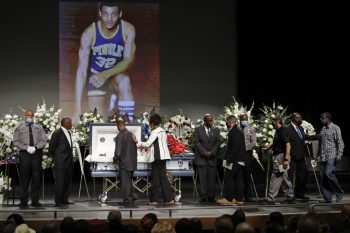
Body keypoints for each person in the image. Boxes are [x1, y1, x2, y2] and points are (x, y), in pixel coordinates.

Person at [73, 2, 136, 122]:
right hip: (96, 77)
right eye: (106, 14)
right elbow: (81, 71)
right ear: (100, 13)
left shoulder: (127, 29)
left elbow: (129, 61)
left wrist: (105, 74)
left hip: (116, 74)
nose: (109, 19)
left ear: (120, 14)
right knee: (99, 120)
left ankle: (128, 122)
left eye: (114, 14)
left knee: (125, 81)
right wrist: (77, 108)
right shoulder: (89, 34)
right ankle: (110, 104)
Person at [137, 113, 175, 205]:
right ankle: (169, 199)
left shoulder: (155, 132)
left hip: (157, 157)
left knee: (155, 178)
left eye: (150, 123)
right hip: (164, 156)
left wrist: (137, 142)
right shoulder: (162, 131)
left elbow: (148, 144)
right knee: (163, 178)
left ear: (153, 123)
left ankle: (154, 200)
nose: (150, 125)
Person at [13, 109, 47, 208]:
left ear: (34, 116)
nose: (30, 117)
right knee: (24, 178)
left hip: (36, 154)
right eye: (28, 115)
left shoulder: (39, 127)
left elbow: (44, 140)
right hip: (25, 154)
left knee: (36, 178)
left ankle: (35, 201)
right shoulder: (19, 127)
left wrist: (36, 147)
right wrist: (26, 148)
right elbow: (15, 141)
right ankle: (23, 201)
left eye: (31, 116)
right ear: (25, 116)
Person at [217, 115, 246, 205]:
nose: (226, 124)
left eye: (227, 122)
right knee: (238, 179)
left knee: (229, 177)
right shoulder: (238, 131)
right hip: (240, 160)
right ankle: (239, 198)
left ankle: (229, 198)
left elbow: (234, 147)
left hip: (235, 160)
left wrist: (229, 159)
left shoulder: (235, 131)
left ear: (230, 122)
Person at [285, 112, 314, 200]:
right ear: (293, 119)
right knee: (289, 177)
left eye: (301, 117)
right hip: (292, 156)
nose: (300, 119)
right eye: (298, 118)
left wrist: (318, 136)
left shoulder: (301, 128)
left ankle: (300, 194)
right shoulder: (287, 128)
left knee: (302, 175)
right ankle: (289, 195)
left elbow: (305, 137)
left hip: (301, 156)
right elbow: (286, 142)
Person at [266, 116, 294, 205]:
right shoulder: (277, 131)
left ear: (278, 121)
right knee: (284, 175)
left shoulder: (283, 131)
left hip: (281, 156)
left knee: (276, 176)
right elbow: (275, 143)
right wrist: (267, 149)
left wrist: (286, 160)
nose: (271, 123)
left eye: (272, 121)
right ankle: (290, 195)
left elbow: (288, 146)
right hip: (279, 155)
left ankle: (271, 198)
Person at [317, 112, 345, 203]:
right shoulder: (323, 129)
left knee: (328, 173)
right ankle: (327, 198)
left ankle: (339, 192)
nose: (321, 119)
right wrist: (317, 155)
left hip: (332, 155)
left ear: (328, 118)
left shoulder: (335, 128)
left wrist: (339, 154)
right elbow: (320, 144)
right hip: (323, 156)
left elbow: (340, 142)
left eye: (323, 118)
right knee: (323, 177)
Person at [193, 114, 221, 203]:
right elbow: (197, 142)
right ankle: (203, 196)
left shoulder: (216, 130)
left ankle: (211, 196)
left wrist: (212, 152)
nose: (210, 122)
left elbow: (218, 142)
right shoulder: (198, 130)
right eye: (209, 121)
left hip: (212, 158)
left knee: (212, 178)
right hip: (202, 158)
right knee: (203, 178)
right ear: (204, 121)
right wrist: (204, 152)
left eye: (211, 120)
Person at [49, 117, 74, 207]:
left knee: (67, 182)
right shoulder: (57, 133)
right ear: (66, 123)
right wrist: (57, 157)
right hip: (60, 162)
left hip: (69, 161)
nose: (72, 124)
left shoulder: (69, 132)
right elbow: (51, 147)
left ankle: (64, 199)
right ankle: (58, 201)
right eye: (70, 123)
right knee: (60, 182)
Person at [113, 117, 138, 206]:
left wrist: (115, 160)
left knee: (125, 183)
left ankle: (128, 200)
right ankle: (131, 197)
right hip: (132, 162)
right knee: (129, 181)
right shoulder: (131, 134)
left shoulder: (120, 136)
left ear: (118, 126)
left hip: (124, 163)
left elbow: (118, 151)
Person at [238, 113, 257, 202]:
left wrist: (245, 148)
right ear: (240, 120)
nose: (244, 121)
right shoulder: (237, 128)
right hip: (238, 155)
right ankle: (239, 195)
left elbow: (253, 142)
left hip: (247, 154)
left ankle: (248, 195)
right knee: (239, 175)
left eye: (246, 119)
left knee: (247, 175)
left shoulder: (251, 128)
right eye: (243, 119)